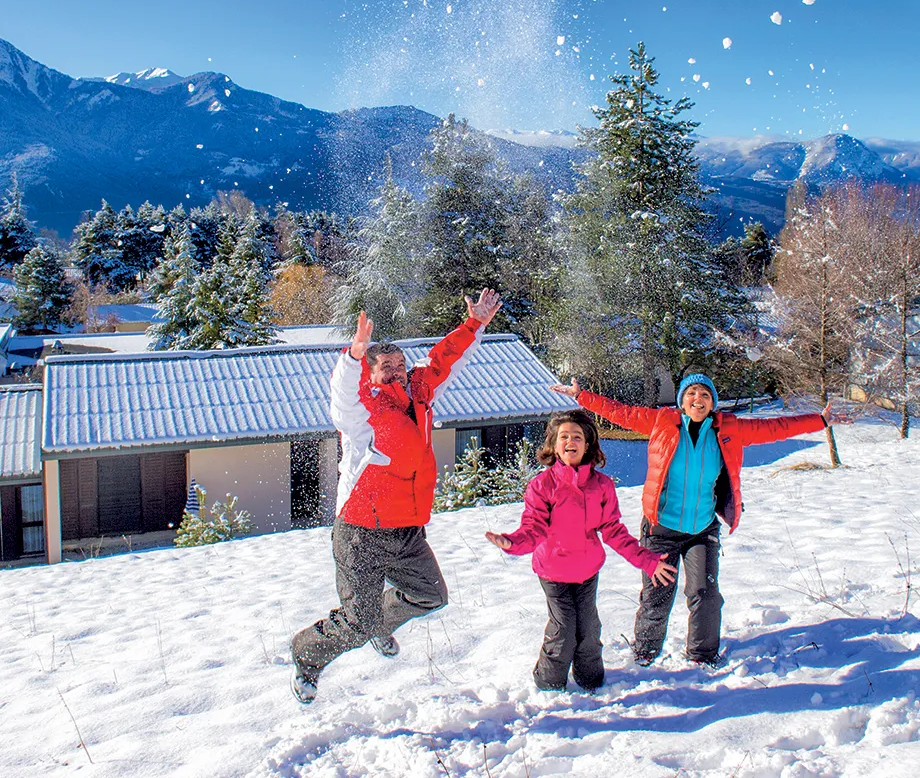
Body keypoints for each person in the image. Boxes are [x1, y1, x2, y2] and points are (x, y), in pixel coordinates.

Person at [290, 288, 503, 703]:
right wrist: (354, 356)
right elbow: (340, 394)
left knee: (430, 595)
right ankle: (306, 656)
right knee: (357, 621)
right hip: (360, 530)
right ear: (370, 374)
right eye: (385, 367)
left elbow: (444, 359)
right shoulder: (361, 411)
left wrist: (475, 323)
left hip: (406, 529)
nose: (396, 371)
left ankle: (378, 623)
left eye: (400, 365)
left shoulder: (419, 393)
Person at [552, 372, 847, 667]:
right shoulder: (661, 422)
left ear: (713, 403)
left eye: (705, 395)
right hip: (660, 529)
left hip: (702, 529)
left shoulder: (728, 429)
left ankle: (703, 657)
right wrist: (582, 397)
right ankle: (644, 654)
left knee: (705, 594)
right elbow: (622, 413)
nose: (698, 399)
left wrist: (819, 421)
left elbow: (774, 428)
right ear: (682, 400)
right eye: (692, 393)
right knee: (658, 595)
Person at [484, 409, 677, 692]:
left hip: (587, 571)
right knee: (564, 630)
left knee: (587, 630)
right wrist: (513, 543)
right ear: (553, 445)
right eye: (564, 437)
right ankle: (548, 685)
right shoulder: (542, 485)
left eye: (577, 436)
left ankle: (591, 682)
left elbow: (614, 532)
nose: (570, 441)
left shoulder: (601, 486)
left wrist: (647, 561)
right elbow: (533, 528)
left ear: (588, 444)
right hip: (553, 571)